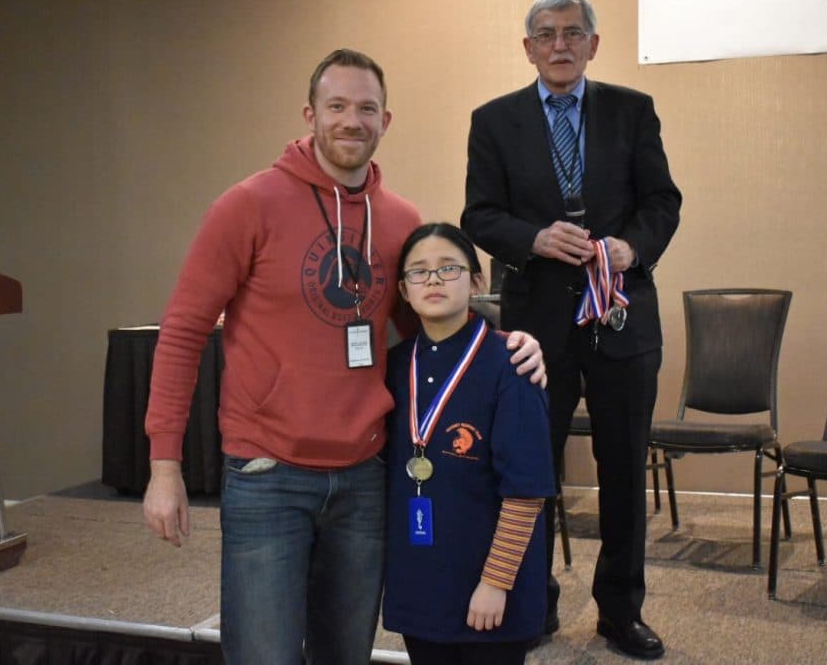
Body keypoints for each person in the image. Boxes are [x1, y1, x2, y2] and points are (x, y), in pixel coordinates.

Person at [141, 49, 545, 665]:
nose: (351, 121)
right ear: (310, 114)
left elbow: (437, 325)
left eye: (366, 108)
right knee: (263, 654)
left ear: (387, 120)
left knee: (344, 655)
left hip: (364, 476)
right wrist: (164, 465)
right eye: (336, 106)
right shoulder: (246, 206)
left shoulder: (401, 223)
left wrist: (511, 341)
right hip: (266, 473)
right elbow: (182, 333)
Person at [461, 0, 682, 660]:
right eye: (547, 35)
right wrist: (533, 238)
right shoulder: (494, 120)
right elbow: (480, 217)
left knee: (623, 475)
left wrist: (629, 249)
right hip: (537, 333)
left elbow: (662, 202)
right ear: (528, 47)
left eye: (573, 33)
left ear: (593, 43)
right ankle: (535, 603)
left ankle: (620, 611)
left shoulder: (631, 110)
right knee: (530, 472)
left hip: (621, 322)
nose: (560, 45)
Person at [382, 223, 555, 665]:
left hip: (491, 583)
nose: (434, 279)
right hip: (420, 580)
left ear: (477, 281)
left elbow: (527, 489)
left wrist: (495, 582)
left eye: (449, 268)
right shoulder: (394, 367)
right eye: (419, 272)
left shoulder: (512, 364)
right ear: (403, 289)